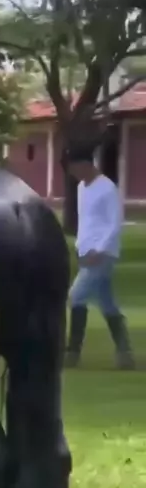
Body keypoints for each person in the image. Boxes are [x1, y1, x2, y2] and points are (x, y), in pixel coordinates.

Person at [63, 145, 134, 369]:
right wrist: (80, 247)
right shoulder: (82, 188)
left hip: (102, 254)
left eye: (74, 169)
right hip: (86, 252)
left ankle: (72, 352)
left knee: (76, 296)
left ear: (85, 164)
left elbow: (114, 223)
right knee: (107, 303)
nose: (74, 174)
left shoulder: (107, 188)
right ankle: (125, 353)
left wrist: (100, 249)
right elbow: (86, 221)